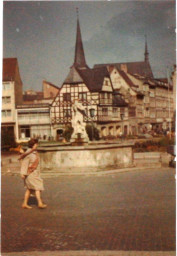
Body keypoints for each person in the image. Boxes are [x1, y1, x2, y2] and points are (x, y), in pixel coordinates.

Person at [19, 138, 47, 209]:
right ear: (33, 145)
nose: (37, 145)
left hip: (34, 173)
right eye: (36, 144)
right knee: (37, 188)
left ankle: (24, 203)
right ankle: (40, 203)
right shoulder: (29, 153)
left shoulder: (34, 152)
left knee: (29, 189)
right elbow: (24, 164)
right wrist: (22, 173)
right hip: (31, 174)